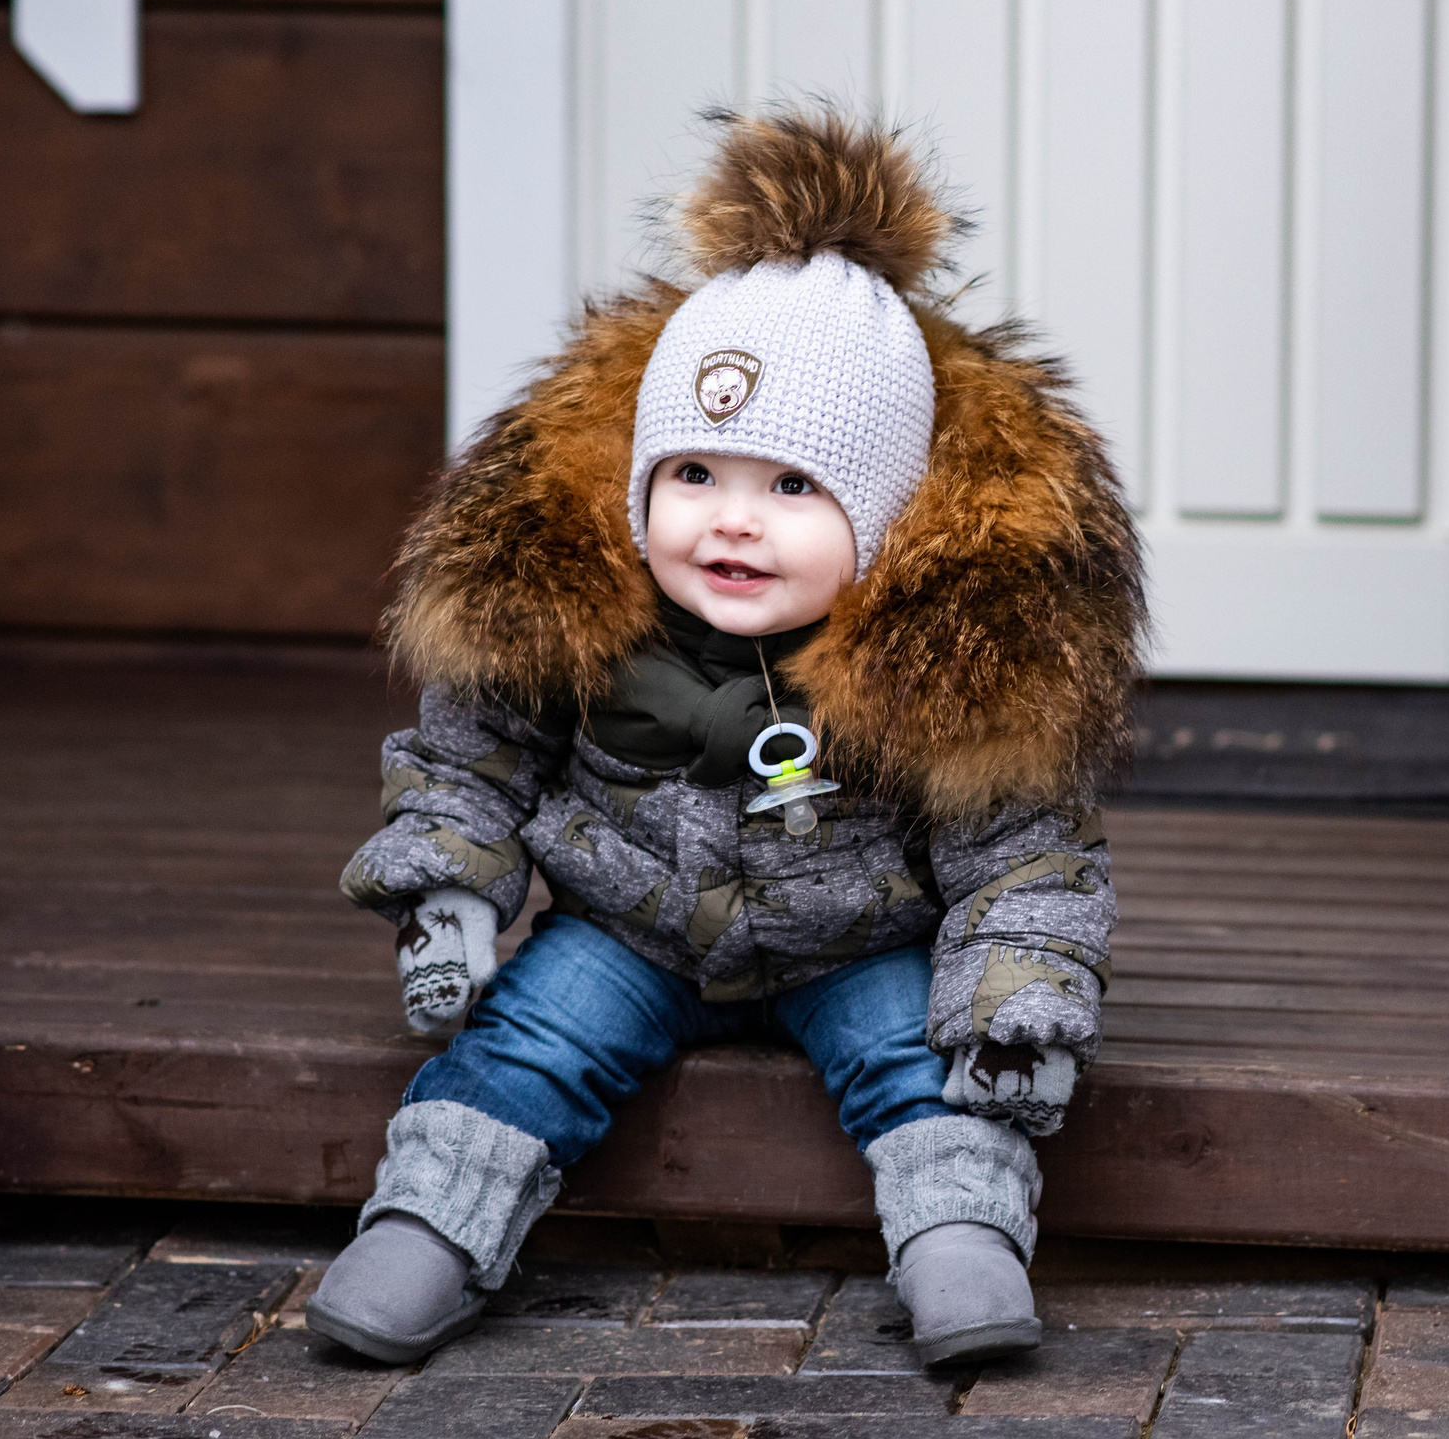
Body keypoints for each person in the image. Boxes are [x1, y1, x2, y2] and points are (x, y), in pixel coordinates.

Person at [306, 108, 1146, 1369]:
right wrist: (450, 893)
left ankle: (961, 1241)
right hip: (627, 925)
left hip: (853, 938)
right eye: (692, 474)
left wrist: (1017, 1005)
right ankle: (427, 1221)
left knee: (915, 1065)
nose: (732, 523)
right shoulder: (581, 612)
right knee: (532, 1042)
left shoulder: (935, 657)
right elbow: (470, 759)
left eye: (793, 486)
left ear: (888, 511)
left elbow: (1023, 850)